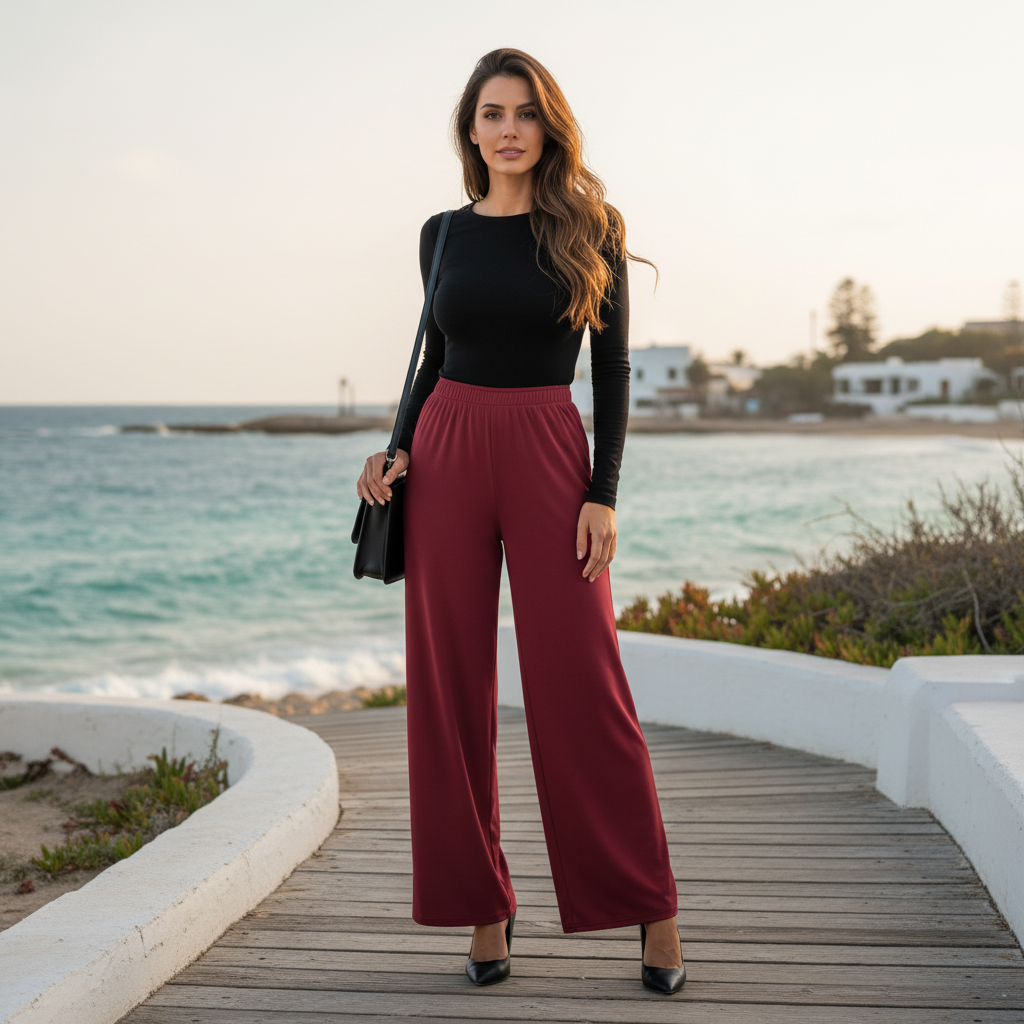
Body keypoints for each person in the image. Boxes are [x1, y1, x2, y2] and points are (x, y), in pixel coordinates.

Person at [356, 47, 684, 995]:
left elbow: (613, 372)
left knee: (584, 686)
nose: (508, 129)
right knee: (449, 691)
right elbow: (433, 359)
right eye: (492, 113)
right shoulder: (442, 235)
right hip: (448, 449)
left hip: (550, 449)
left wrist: (604, 491)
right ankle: (485, 912)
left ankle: (652, 909)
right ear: (470, 128)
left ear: (550, 126)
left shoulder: (592, 227)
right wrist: (396, 449)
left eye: (526, 114)